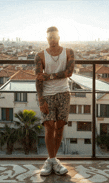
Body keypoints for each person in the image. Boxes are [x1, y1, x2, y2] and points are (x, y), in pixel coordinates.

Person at [34, 26, 75, 176]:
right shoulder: (40, 55)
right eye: (49, 37)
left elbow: (69, 72)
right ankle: (53, 161)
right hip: (48, 94)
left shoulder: (69, 52)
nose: (52, 40)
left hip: (64, 93)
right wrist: (40, 99)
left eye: (54, 37)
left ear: (59, 37)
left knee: (59, 128)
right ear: (47, 39)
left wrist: (49, 76)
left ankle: (52, 160)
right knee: (49, 126)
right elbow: (38, 79)